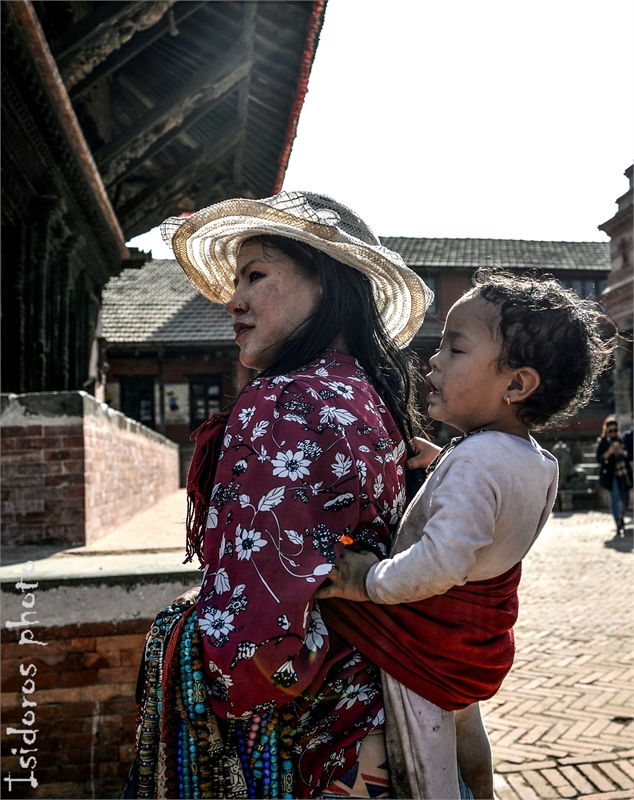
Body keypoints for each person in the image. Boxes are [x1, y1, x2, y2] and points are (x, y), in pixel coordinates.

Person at [128, 191, 439, 800]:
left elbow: (253, 645)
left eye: (256, 276)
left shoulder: (281, 401)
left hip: (302, 745)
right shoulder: (370, 398)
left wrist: (183, 642)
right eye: (236, 280)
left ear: (325, 281)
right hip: (373, 717)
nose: (233, 300)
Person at [316, 270, 616, 799]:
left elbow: (441, 564)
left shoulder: (477, 460)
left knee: (425, 756)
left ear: (516, 385)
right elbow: (494, 519)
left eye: (455, 349)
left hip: (428, 643)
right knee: (465, 733)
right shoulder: (535, 461)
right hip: (476, 643)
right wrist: (444, 464)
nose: (434, 360)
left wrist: (367, 581)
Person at [596, 416, 633, 535]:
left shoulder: (623, 439)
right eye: (610, 431)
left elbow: (630, 455)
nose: (613, 433)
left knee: (625, 498)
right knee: (615, 498)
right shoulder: (603, 442)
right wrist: (610, 452)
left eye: (615, 430)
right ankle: (617, 523)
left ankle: (621, 516)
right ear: (606, 430)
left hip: (624, 474)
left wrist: (622, 452)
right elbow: (599, 458)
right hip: (611, 475)